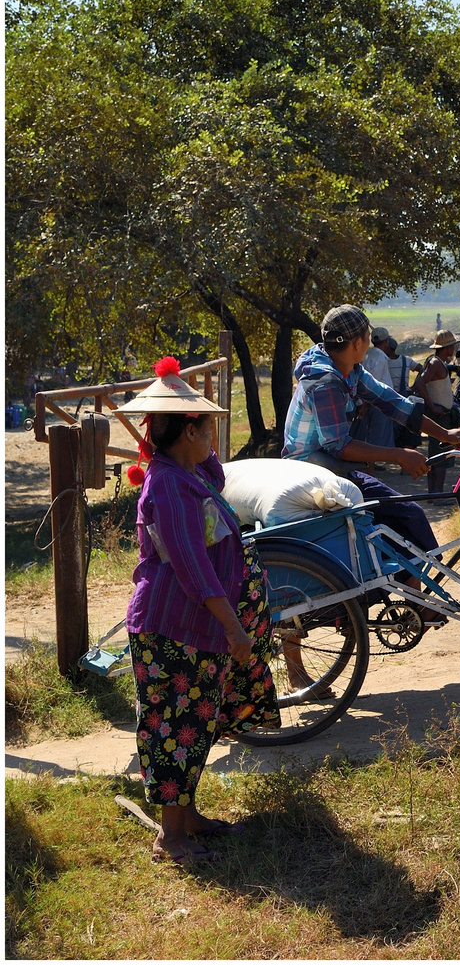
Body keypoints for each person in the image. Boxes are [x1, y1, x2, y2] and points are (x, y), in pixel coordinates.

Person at [115, 357, 279, 865]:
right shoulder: (166, 486)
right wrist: (233, 627)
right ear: (188, 430)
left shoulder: (186, 473)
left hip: (196, 629)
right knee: (173, 728)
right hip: (173, 628)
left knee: (199, 722)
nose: (213, 432)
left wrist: (191, 443)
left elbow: (216, 473)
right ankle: (171, 837)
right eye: (206, 425)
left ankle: (187, 818)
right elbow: (191, 566)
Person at [281, 306, 460, 580]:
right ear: (358, 342)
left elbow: (393, 403)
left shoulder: (348, 370)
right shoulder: (325, 381)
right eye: (367, 335)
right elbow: (338, 444)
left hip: (331, 468)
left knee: (407, 516)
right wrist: (399, 455)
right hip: (314, 476)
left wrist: (446, 435)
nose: (369, 341)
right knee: (405, 517)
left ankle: (413, 600)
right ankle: (411, 602)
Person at [413, 329, 459, 495]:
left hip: (442, 414)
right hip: (439, 416)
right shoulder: (435, 363)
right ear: (446, 347)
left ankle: (434, 494)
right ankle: (437, 494)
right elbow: (420, 383)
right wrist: (433, 406)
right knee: (442, 455)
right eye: (452, 346)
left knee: (437, 455)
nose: (453, 350)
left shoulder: (439, 362)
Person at [352, 327, 396, 451]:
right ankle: (371, 466)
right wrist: (365, 405)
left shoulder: (368, 355)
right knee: (376, 437)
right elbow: (373, 384)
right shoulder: (380, 358)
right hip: (377, 402)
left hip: (367, 401)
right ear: (386, 341)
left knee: (368, 435)